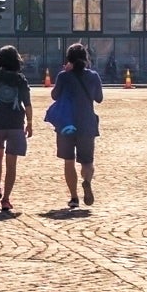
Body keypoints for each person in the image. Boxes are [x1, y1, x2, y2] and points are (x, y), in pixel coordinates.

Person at [0, 45, 34, 214]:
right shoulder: (20, 79)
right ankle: (6, 199)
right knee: (11, 163)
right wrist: (30, 122)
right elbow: (28, 104)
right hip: (16, 124)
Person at [52, 43, 105, 210]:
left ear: (69, 59)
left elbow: (54, 96)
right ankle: (87, 181)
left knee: (69, 161)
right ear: (86, 58)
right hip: (87, 123)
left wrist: (65, 74)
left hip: (66, 124)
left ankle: (74, 197)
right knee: (87, 161)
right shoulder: (93, 76)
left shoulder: (63, 76)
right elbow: (99, 98)